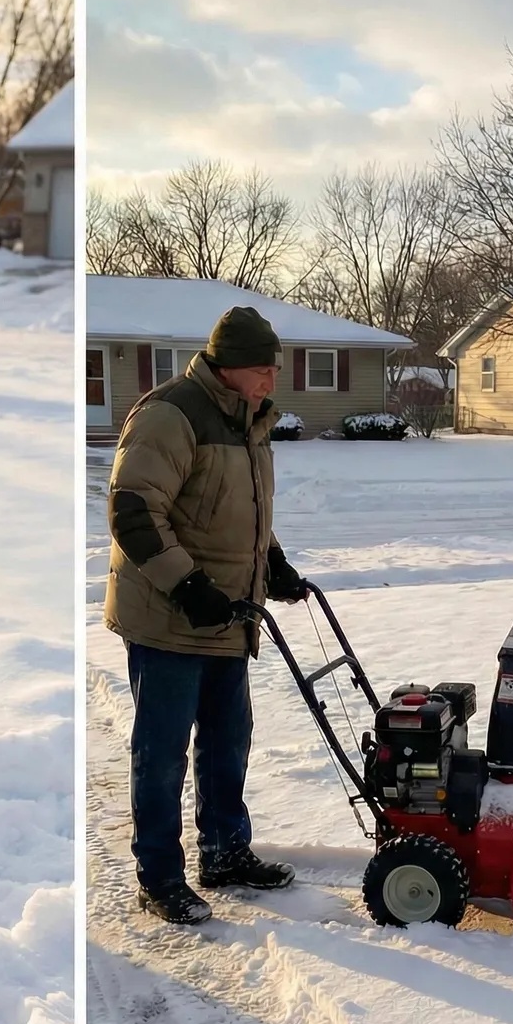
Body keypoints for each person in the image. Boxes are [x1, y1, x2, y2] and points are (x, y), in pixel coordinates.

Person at [104, 305, 307, 925]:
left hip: (227, 615)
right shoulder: (172, 414)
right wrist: (187, 586)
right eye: (261, 369)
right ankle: (159, 877)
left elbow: (239, 510)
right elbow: (133, 511)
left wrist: (272, 564)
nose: (271, 380)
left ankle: (224, 852)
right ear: (227, 366)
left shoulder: (250, 420)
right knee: (162, 751)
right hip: (168, 616)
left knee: (227, 740)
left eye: (275, 369)